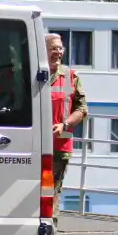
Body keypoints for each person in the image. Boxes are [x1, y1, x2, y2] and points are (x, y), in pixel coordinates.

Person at [48, 33, 87, 222]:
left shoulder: (71, 76)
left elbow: (82, 109)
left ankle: (49, 231)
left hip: (59, 146)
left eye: (60, 48)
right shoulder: (32, 74)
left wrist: (65, 124)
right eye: (53, 48)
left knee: (52, 190)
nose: (58, 52)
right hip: (31, 144)